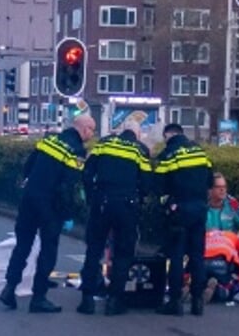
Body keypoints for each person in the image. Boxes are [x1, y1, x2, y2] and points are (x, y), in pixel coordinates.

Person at [0, 112, 95, 314]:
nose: (92, 135)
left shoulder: (49, 141)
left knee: (22, 246)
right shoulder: (76, 151)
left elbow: (28, 166)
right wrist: (68, 214)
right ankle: (39, 298)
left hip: (29, 199)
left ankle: (9, 288)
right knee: (48, 250)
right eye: (92, 130)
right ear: (84, 128)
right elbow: (68, 186)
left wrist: (30, 186)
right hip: (50, 205)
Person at [78, 126, 151, 316]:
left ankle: (87, 299)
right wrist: (140, 200)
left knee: (94, 249)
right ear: (137, 135)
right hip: (126, 206)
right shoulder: (139, 150)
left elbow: (87, 172)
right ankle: (114, 301)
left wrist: (91, 197)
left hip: (101, 203)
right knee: (123, 253)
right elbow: (147, 182)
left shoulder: (103, 144)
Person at [153, 122, 214, 315]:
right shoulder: (200, 153)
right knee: (197, 256)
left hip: (179, 211)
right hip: (200, 209)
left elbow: (158, 185)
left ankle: (175, 302)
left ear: (167, 136)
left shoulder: (168, 155)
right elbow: (210, 180)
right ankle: (197, 302)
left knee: (177, 257)